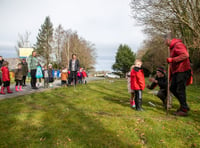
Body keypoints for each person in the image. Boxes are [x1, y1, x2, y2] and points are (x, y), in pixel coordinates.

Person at [165, 35, 192, 116]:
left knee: (180, 90)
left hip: (183, 70)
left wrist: (172, 60)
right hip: (177, 71)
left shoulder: (178, 45)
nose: (164, 43)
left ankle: (184, 109)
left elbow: (185, 55)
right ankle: (184, 105)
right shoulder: (172, 47)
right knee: (172, 88)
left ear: (168, 40)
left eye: (164, 41)